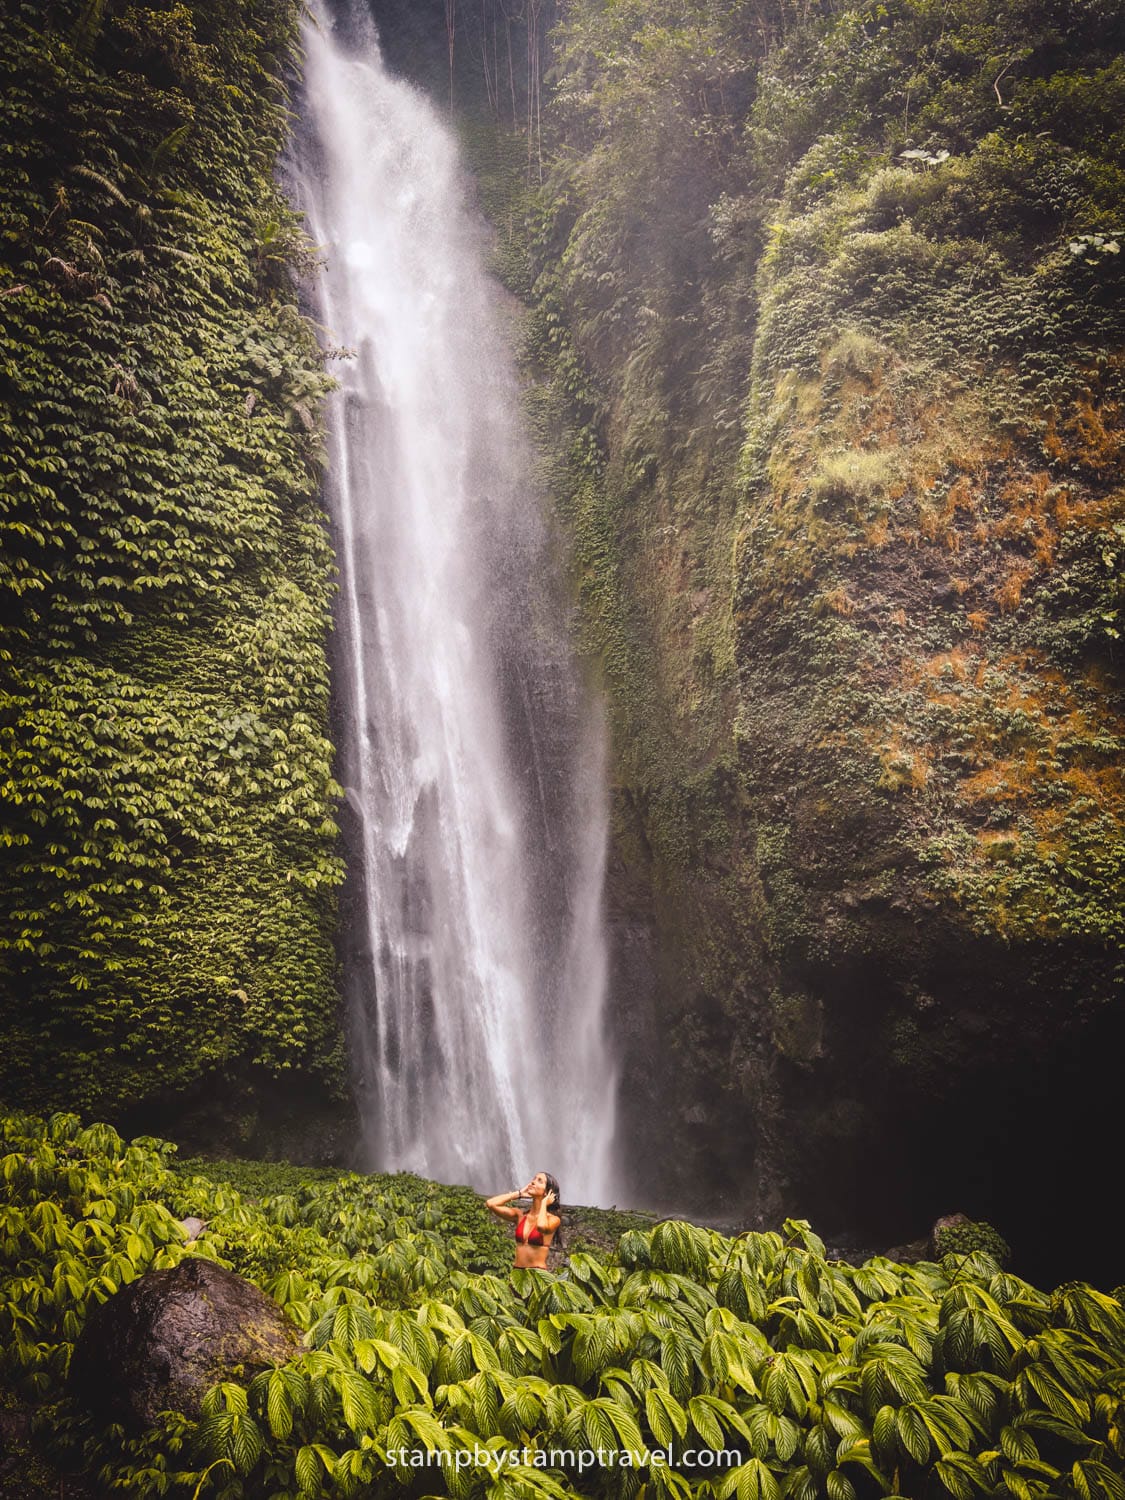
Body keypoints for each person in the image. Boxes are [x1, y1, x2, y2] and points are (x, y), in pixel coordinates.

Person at [485, 1171, 562, 1269]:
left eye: (539, 1181)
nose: (533, 1182)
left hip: (537, 1275)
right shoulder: (520, 1216)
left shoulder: (553, 1219)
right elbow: (491, 1203)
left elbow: (541, 1226)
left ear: (547, 1192)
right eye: (534, 1178)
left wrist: (544, 1203)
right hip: (517, 1273)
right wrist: (519, 1193)